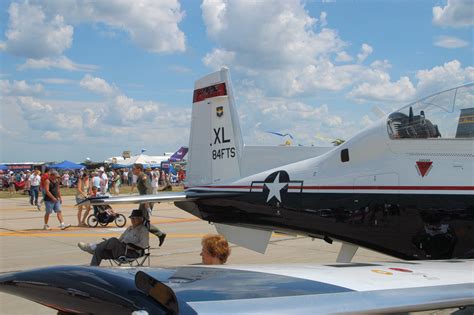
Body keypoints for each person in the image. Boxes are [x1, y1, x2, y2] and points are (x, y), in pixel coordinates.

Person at [77, 209, 149, 266]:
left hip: (130, 252)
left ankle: (93, 247)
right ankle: (93, 270)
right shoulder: (129, 228)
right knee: (99, 251)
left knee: (113, 240)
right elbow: (120, 240)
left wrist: (130, 246)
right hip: (121, 250)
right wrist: (109, 244)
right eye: (131, 218)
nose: (132, 220)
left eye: (134, 218)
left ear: (140, 219)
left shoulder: (143, 230)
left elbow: (143, 245)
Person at [132, 163, 166, 246]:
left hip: (147, 202)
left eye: (134, 169)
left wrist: (147, 202)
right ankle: (144, 240)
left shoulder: (144, 177)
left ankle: (160, 234)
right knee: (140, 220)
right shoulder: (140, 177)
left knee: (143, 222)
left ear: (139, 169)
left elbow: (149, 189)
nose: (133, 170)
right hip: (143, 201)